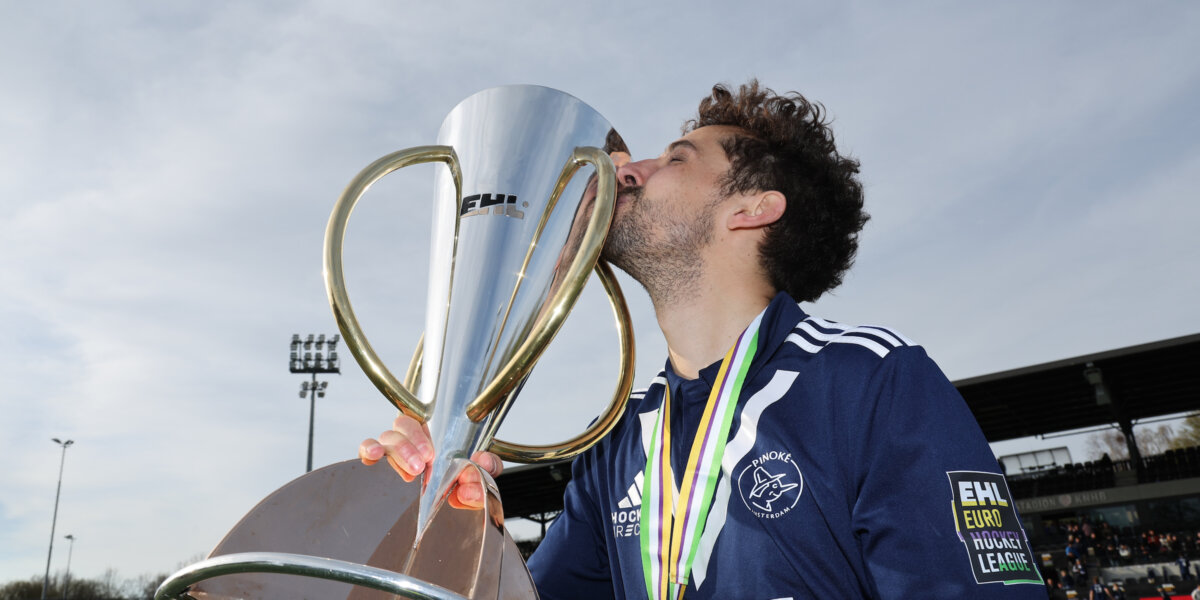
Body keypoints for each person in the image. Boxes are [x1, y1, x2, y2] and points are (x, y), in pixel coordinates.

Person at [360, 81, 1046, 598]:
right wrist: (458, 530)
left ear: (750, 209)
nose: (625, 169)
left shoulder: (871, 384)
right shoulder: (618, 442)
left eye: (676, 159)